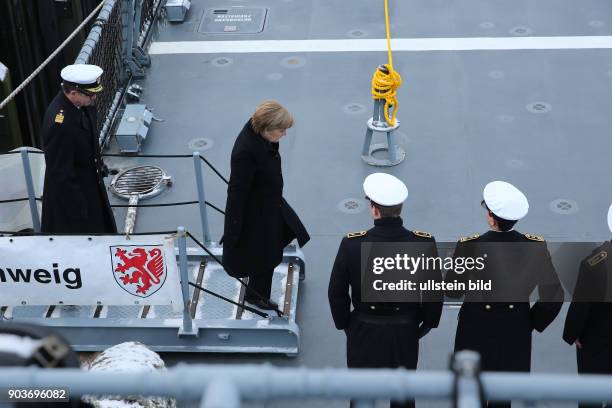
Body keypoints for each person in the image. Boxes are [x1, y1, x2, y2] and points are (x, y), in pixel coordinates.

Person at [328, 173, 443, 408]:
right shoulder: (423, 243)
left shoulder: (351, 244)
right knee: (402, 395)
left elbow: (336, 292)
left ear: (374, 209)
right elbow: (433, 292)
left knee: (361, 394)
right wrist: (425, 325)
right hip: (405, 331)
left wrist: (347, 325)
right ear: (400, 209)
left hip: (363, 329)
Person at [445, 180, 563, 408]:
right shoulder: (535, 247)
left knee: (470, 392)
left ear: (491, 217)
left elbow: (452, 291)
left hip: (475, 328)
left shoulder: (469, 246)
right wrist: (529, 321)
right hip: (514, 328)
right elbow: (553, 295)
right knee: (502, 397)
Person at [222, 100, 309, 310]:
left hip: (270, 202)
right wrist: (233, 232)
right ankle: (256, 296)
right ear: (266, 129)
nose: (284, 135)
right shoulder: (246, 152)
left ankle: (257, 292)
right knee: (264, 254)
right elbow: (236, 194)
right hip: (257, 213)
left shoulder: (260, 135)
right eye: (281, 130)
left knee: (274, 243)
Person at [40, 64, 117, 233]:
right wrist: (79, 209)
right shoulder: (60, 124)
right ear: (73, 93)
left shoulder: (84, 105)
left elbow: (91, 140)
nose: (94, 98)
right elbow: (60, 173)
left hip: (90, 184)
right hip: (75, 197)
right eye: (90, 94)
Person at [563, 204, 612, 408]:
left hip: (596, 341)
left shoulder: (595, 262)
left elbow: (582, 304)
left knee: (590, 396)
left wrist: (573, 333)